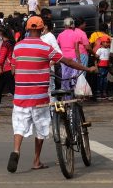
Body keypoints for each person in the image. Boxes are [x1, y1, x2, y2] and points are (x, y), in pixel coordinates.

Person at [7, 15, 96, 173]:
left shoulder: (18, 47)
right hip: (39, 96)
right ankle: (36, 161)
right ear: (42, 30)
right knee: (41, 128)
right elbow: (67, 61)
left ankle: (16, 151)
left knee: (19, 127)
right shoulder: (45, 48)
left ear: (27, 29)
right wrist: (88, 69)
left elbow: (13, 70)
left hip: (20, 96)